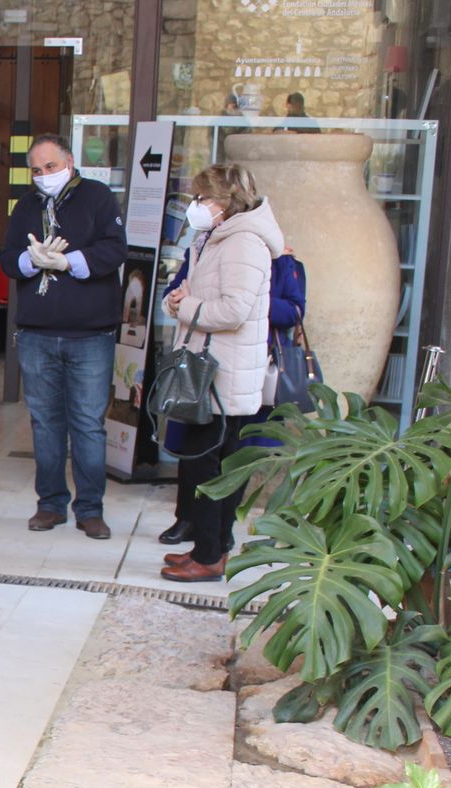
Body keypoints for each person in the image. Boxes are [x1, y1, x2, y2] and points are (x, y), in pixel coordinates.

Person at [159, 164, 285, 582]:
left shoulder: (244, 242)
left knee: (207, 468)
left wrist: (188, 307)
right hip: (208, 369)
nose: (195, 206)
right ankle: (214, 546)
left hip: (222, 375)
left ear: (225, 202)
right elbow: (194, 291)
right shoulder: (214, 236)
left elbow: (233, 310)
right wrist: (178, 301)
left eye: (202, 198)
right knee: (211, 464)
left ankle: (210, 554)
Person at [0, 134, 128, 539]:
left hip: (90, 334)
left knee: (88, 425)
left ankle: (90, 509)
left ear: (69, 162)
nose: (43, 176)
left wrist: (68, 261)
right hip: (38, 333)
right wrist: (30, 260)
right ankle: (50, 504)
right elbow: (6, 259)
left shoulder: (97, 197)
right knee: (45, 424)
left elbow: (114, 250)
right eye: (36, 170)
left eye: (50, 167)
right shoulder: (26, 205)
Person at [158, 245, 305, 547]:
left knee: (238, 453)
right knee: (193, 448)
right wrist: (177, 300)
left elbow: (295, 310)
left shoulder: (282, 261)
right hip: (201, 365)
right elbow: (176, 291)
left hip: (252, 369)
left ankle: (220, 533)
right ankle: (186, 519)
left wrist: (246, 303)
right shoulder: (203, 251)